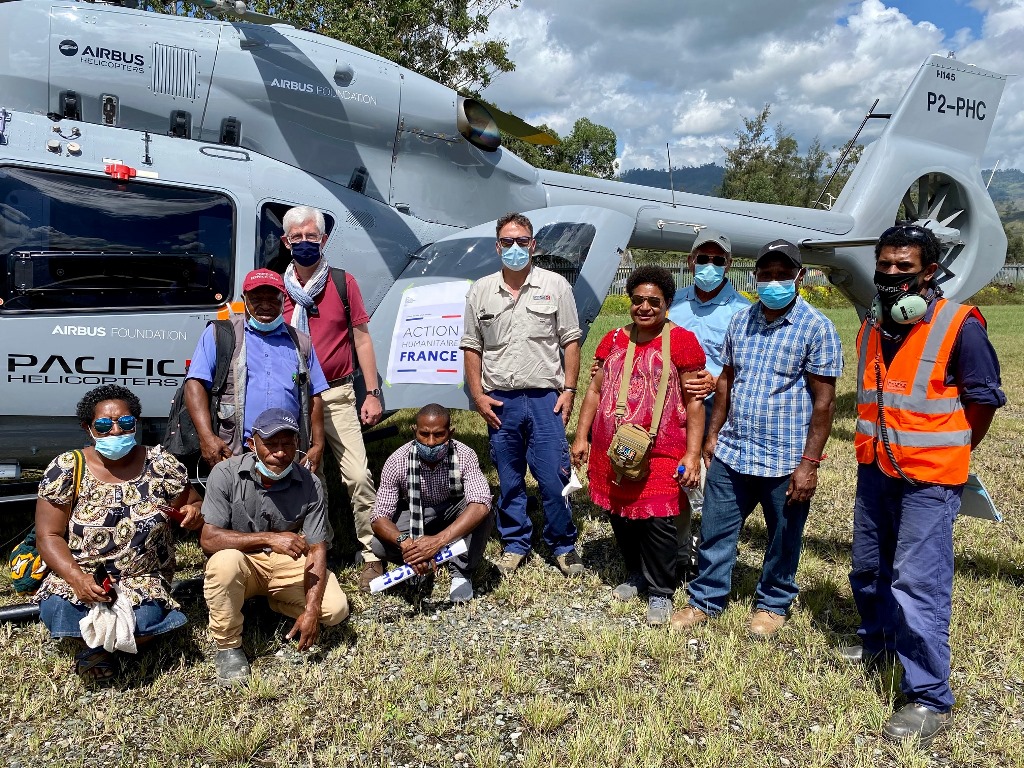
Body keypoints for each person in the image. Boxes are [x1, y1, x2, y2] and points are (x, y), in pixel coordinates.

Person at [845, 223, 1005, 745]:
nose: (891, 275)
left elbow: (982, 398)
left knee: (918, 583)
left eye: (903, 268)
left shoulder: (960, 325)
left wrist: (954, 449)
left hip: (929, 481)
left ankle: (928, 697)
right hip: (876, 468)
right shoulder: (872, 324)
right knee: (870, 568)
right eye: (884, 265)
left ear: (930, 271)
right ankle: (879, 642)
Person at [671, 240, 842, 637]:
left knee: (784, 536)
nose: (773, 281)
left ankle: (773, 602)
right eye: (766, 274)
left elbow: (824, 404)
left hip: (786, 457)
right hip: (734, 449)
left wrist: (809, 464)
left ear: (799, 277)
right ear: (756, 276)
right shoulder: (742, 320)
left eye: (783, 274)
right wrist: (713, 433)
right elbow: (727, 378)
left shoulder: (817, 327)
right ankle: (706, 599)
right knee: (715, 530)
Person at [33, 385, 204, 683]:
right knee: (59, 608)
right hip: (81, 575)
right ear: (89, 429)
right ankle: (113, 645)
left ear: (135, 424)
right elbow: (48, 536)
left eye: (125, 423)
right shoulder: (67, 468)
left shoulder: (160, 463)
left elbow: (192, 503)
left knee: (149, 617)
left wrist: (193, 513)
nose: (115, 430)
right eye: (103, 424)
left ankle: (93, 647)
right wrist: (77, 579)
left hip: (142, 579)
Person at [571, 267, 706, 625]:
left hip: (663, 447)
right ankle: (635, 573)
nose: (644, 307)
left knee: (659, 518)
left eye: (653, 301)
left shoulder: (682, 341)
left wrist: (692, 454)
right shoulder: (614, 339)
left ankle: (660, 590)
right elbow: (595, 391)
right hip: (612, 446)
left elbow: (694, 403)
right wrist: (582, 436)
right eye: (638, 300)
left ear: (667, 304)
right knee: (621, 513)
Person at [460, 212, 583, 577]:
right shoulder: (481, 290)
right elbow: (471, 346)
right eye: (508, 242)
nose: (515, 248)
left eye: (522, 241)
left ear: (534, 245)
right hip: (501, 400)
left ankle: (563, 545)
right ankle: (515, 543)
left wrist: (570, 389)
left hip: (546, 398)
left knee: (553, 477)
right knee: (509, 477)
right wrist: (478, 396)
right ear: (498, 246)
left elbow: (571, 340)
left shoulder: (556, 285)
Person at [200, 408, 349, 686]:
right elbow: (209, 539)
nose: (280, 452)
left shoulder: (310, 483)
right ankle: (228, 646)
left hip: (285, 563)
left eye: (287, 443)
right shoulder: (225, 473)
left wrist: (313, 610)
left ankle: (270, 601)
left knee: (336, 610)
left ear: (297, 443)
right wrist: (269, 538)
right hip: (243, 561)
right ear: (251, 443)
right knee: (224, 563)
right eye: (271, 443)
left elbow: (317, 549)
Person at [278, 206, 385, 592]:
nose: (305, 243)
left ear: (323, 241)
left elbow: (361, 338)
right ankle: (319, 551)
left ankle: (372, 555)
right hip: (294, 396)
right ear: (285, 242)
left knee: (358, 474)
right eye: (297, 237)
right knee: (310, 477)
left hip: (337, 392)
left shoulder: (342, 283)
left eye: (312, 236)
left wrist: (372, 393)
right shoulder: (275, 288)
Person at [667, 227, 751, 576]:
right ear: (691, 262)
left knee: (716, 486)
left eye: (719, 260)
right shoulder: (675, 303)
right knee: (677, 479)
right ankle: (679, 553)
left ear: (729, 265)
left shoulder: (742, 310)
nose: (710, 265)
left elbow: (746, 361)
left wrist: (716, 377)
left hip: (720, 411)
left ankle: (712, 557)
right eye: (704, 259)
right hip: (675, 409)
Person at [184, 268, 329, 470]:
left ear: (284, 299)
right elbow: (195, 384)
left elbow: (314, 395)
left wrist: (318, 444)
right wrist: (206, 437)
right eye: (257, 298)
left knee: (288, 501)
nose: (265, 305)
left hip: (285, 453)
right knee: (237, 500)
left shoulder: (300, 341)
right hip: (234, 452)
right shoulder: (221, 334)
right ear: (244, 299)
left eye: (273, 299)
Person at [368, 404, 494, 602]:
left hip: (453, 511)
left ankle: (461, 570)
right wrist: (407, 545)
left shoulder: (465, 455)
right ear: (414, 432)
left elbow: (480, 503)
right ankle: (419, 560)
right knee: (379, 545)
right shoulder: (396, 461)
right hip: (418, 515)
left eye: (439, 435)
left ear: (450, 433)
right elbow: (379, 517)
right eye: (424, 434)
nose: (431, 442)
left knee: (483, 512)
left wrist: (438, 541)